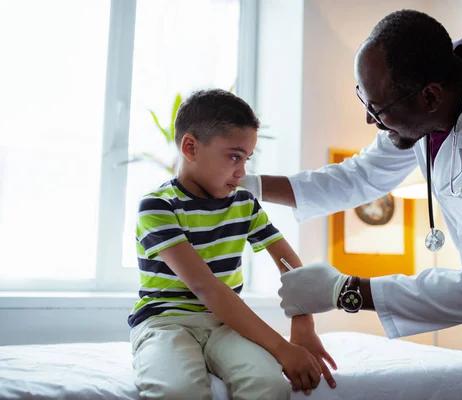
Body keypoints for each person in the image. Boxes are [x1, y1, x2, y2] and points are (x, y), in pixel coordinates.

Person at [240, 9, 462, 400]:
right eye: (364, 98)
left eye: (377, 108)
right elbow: (359, 176)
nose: (368, 118)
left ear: (430, 96)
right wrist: (248, 185)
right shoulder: (429, 115)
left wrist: (343, 290)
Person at [128, 89, 337, 400]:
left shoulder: (244, 203)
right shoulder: (158, 207)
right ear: (190, 147)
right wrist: (281, 347)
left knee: (269, 384)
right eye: (234, 156)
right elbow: (206, 288)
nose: (242, 172)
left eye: (247, 159)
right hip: (165, 322)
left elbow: (290, 265)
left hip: (224, 325)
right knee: (178, 391)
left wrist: (303, 326)